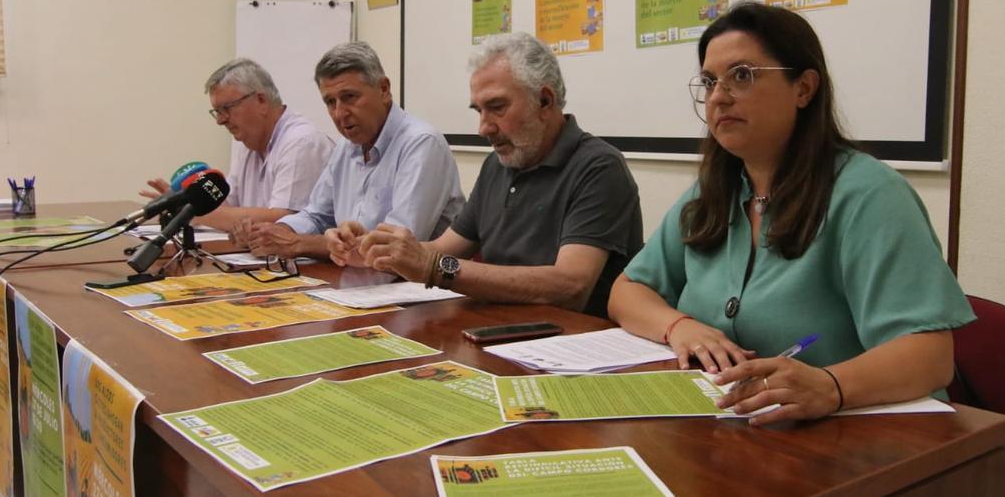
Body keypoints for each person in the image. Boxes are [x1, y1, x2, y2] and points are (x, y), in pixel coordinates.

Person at [608, 2, 975, 424]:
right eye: (709, 82)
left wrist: (831, 386)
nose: (719, 96)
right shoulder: (714, 193)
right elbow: (627, 291)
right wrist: (678, 327)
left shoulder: (870, 195)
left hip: (852, 436)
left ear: (804, 88)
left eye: (741, 76)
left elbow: (930, 356)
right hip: (738, 428)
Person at [341, 32, 641, 317]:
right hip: (498, 329)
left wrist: (435, 267)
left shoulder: (598, 167)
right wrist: (375, 249)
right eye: (479, 111)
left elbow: (570, 285)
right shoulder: (498, 164)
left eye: (497, 108)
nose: (484, 128)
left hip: (572, 343)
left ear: (545, 101)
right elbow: (440, 250)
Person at [232, 42, 464, 261]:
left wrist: (298, 243)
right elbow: (316, 215)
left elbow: (393, 248)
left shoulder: (421, 143)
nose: (340, 113)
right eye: (330, 102)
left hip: (419, 291)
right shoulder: (346, 145)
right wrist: (275, 232)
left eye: (349, 97)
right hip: (358, 283)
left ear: (383, 89)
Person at [140, 58, 332, 230]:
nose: (220, 121)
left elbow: (284, 221)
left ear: (261, 100)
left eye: (226, 109)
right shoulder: (247, 142)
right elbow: (227, 207)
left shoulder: (301, 142)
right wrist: (183, 200)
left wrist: (191, 212)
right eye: (216, 111)